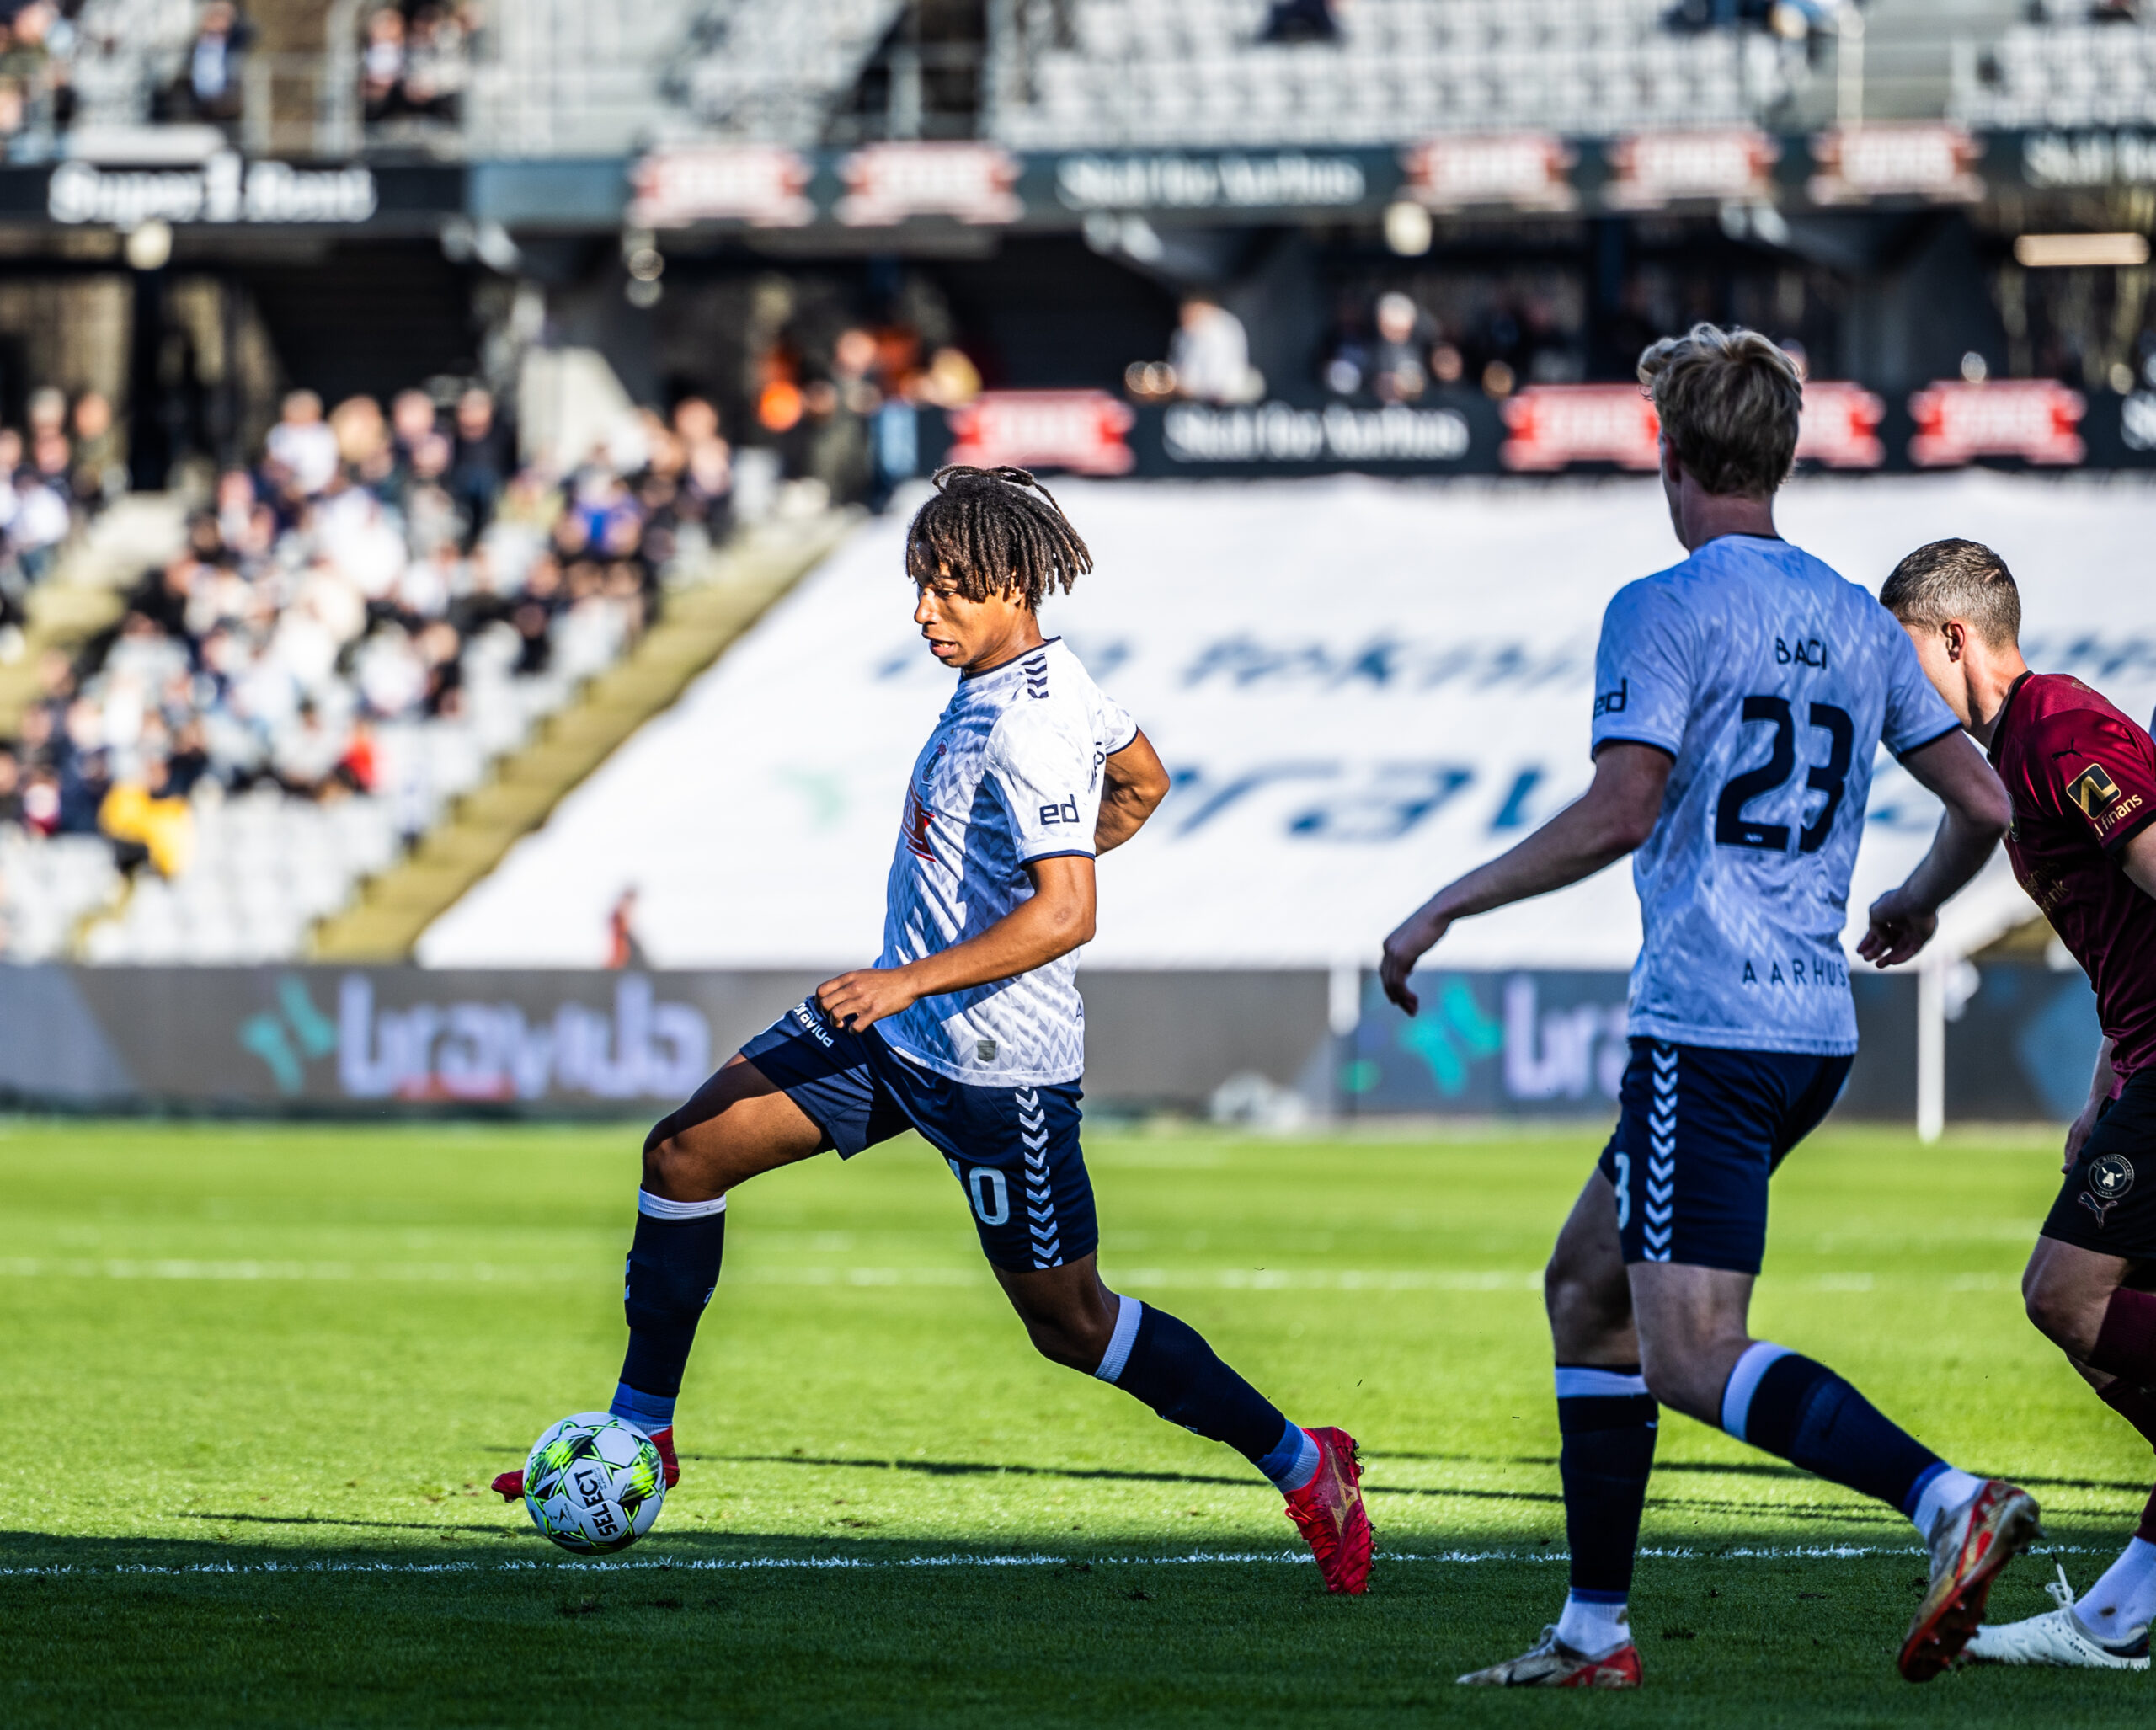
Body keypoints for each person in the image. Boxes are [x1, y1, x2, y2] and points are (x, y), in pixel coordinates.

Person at [490, 465, 1373, 1591]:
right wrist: (934, 967)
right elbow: (1144, 781)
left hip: (1002, 1073)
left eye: (948, 588)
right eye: (920, 586)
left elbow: (1068, 910)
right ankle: (638, 1431)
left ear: (1011, 583)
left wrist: (921, 974)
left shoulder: (1033, 726)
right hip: (898, 1043)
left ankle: (1308, 1464)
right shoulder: (1037, 681)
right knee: (683, 1150)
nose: (924, 611)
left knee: (1072, 1322)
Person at [1379, 324, 2032, 1688]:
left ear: (1671, 457)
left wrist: (1449, 900)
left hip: (1712, 1019)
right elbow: (1985, 800)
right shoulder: (1860, 616)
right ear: (1781, 456)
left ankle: (1945, 1498)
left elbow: (1623, 808)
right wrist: (1913, 901)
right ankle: (1592, 1635)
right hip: (1813, 1031)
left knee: (1688, 1351)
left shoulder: (1664, 607)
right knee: (1586, 1286)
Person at [1881, 539, 2156, 1672]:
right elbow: (1982, 822)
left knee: (2069, 1292)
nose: (1899, 692)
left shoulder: (2056, 724)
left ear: (1955, 638)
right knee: (2113, 1312)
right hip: (2146, 1059)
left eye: (1908, 658)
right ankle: (2124, 1616)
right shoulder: (2014, 754)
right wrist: (2111, 1080)